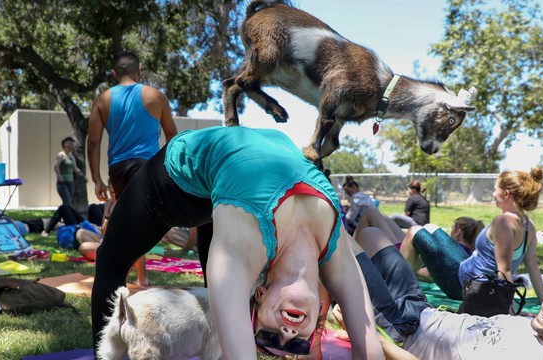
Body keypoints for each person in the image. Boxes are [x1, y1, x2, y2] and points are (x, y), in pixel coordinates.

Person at [91, 126, 383, 359]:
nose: (287, 335)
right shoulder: (326, 240)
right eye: (293, 345)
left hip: (235, 178)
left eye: (270, 338)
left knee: (221, 285)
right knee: (110, 260)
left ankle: (216, 331)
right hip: (180, 178)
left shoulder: (245, 243)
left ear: (260, 295)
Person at [354, 226, 543, 360]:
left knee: (340, 241)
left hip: (402, 328)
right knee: (370, 233)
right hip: (422, 310)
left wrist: (375, 341)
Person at [87, 50, 178, 287]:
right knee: (141, 222)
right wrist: (170, 172)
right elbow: (172, 136)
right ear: (139, 69)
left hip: (118, 169)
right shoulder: (155, 96)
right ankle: (141, 278)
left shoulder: (102, 100)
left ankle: (130, 275)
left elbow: (93, 142)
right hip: (147, 166)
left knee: (126, 220)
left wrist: (96, 178)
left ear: (113, 73)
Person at [399, 168, 543, 304]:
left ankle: (395, 286)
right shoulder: (529, 225)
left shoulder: (503, 222)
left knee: (413, 232)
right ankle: (410, 275)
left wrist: (508, 310)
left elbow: (505, 271)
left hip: (463, 286)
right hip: (466, 268)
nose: (493, 194)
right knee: (430, 228)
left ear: (506, 194)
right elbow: (533, 266)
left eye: (495, 189)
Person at [54, 136, 86, 208]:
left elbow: (75, 169)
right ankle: (58, 217)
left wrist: (83, 176)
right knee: (67, 203)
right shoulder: (61, 155)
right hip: (62, 184)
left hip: (70, 183)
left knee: (68, 203)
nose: (72, 146)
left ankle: (64, 217)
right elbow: (56, 167)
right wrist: (59, 175)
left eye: (73, 144)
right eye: (70, 144)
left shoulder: (71, 156)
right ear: (65, 145)